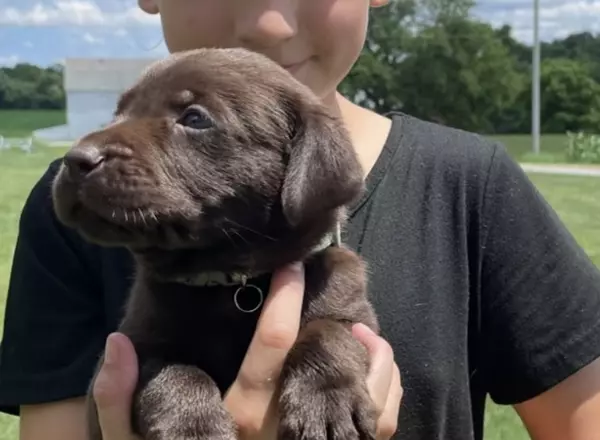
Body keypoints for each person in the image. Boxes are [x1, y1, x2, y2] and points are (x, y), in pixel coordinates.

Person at [1, 0, 600, 439]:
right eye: (126, 114)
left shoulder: (471, 187)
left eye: (194, 120)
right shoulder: (73, 230)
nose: (268, 22)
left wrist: (330, 357)